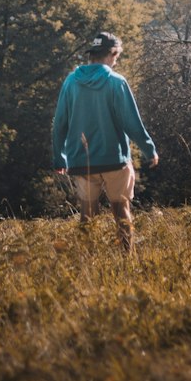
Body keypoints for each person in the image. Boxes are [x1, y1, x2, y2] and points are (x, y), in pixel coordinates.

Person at [52, 31, 158, 253]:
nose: (116, 61)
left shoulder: (71, 82)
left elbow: (59, 122)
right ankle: (126, 259)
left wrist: (59, 157)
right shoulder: (116, 82)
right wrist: (149, 149)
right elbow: (131, 122)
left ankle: (86, 259)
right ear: (111, 54)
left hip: (81, 161)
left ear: (92, 54)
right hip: (114, 160)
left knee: (87, 214)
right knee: (121, 211)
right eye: (116, 57)